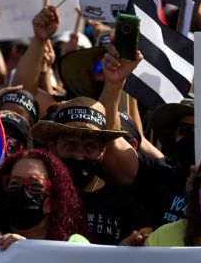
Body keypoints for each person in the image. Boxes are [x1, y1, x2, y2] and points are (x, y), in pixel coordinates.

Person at [31, 97, 153, 245]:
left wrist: (123, 251)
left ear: (102, 150)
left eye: (90, 147)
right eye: (70, 145)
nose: (79, 156)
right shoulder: (34, 197)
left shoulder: (128, 209)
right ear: (52, 145)